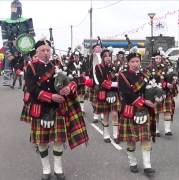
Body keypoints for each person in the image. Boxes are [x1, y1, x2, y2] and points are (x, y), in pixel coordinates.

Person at [24, 40, 88, 180]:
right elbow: (32, 88)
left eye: (48, 50)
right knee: (42, 141)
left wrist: (68, 89)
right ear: (37, 52)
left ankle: (58, 168)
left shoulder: (58, 66)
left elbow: (72, 81)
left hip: (57, 108)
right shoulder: (31, 67)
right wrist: (51, 96)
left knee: (58, 140)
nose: (46, 53)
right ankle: (46, 169)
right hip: (40, 108)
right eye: (43, 50)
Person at [118, 52, 156, 176]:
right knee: (131, 139)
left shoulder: (144, 75)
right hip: (129, 109)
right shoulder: (122, 75)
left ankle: (147, 165)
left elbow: (149, 89)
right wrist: (145, 101)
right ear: (128, 63)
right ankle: (132, 162)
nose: (135, 64)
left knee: (145, 138)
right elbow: (127, 94)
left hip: (142, 110)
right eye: (132, 62)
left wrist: (155, 97)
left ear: (140, 62)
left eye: (137, 61)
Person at [148, 52, 178, 136]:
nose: (158, 60)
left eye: (159, 58)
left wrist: (173, 81)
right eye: (156, 58)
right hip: (155, 92)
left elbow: (172, 76)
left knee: (167, 110)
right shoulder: (149, 68)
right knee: (156, 112)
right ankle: (156, 130)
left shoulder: (166, 68)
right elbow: (148, 80)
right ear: (154, 59)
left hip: (166, 92)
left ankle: (167, 129)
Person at [94, 49, 121, 143]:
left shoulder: (114, 66)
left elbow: (117, 78)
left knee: (115, 114)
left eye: (109, 56)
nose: (108, 58)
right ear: (102, 58)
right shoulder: (98, 67)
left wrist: (117, 80)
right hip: (104, 93)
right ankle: (106, 134)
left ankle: (115, 135)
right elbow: (101, 81)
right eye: (105, 56)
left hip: (114, 93)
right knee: (106, 114)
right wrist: (115, 84)